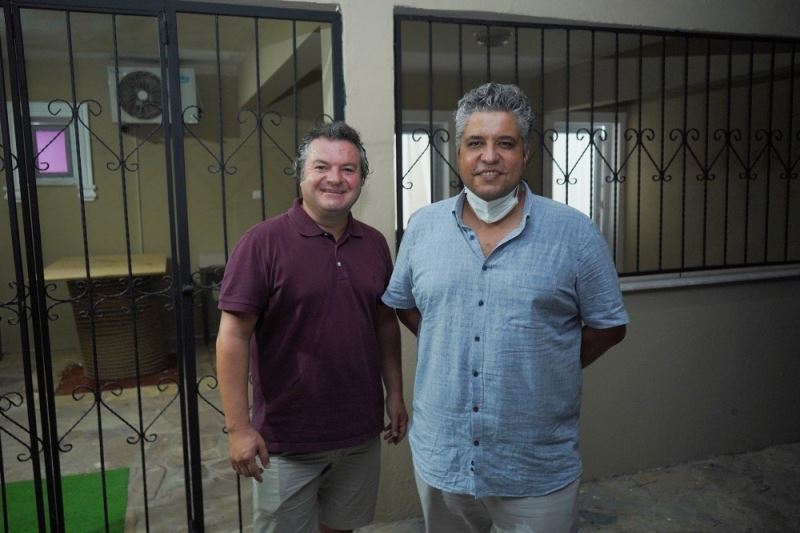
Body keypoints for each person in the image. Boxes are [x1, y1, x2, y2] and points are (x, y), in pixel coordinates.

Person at [382, 83, 628, 532]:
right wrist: (453, 338)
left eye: (505, 143)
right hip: (443, 453)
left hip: (533, 462)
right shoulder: (423, 227)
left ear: (525, 153)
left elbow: (609, 326)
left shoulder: (574, 233)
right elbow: (406, 305)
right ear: (458, 153)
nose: (489, 156)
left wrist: (547, 358)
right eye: (476, 143)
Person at [216, 121, 408, 533]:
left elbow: (385, 323)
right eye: (322, 167)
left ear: (361, 179)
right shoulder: (261, 243)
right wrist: (239, 428)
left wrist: (394, 392)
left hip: (359, 434)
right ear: (301, 175)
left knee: (341, 528)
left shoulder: (374, 244)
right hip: (286, 441)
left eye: (348, 169)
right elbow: (233, 336)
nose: (335, 178)